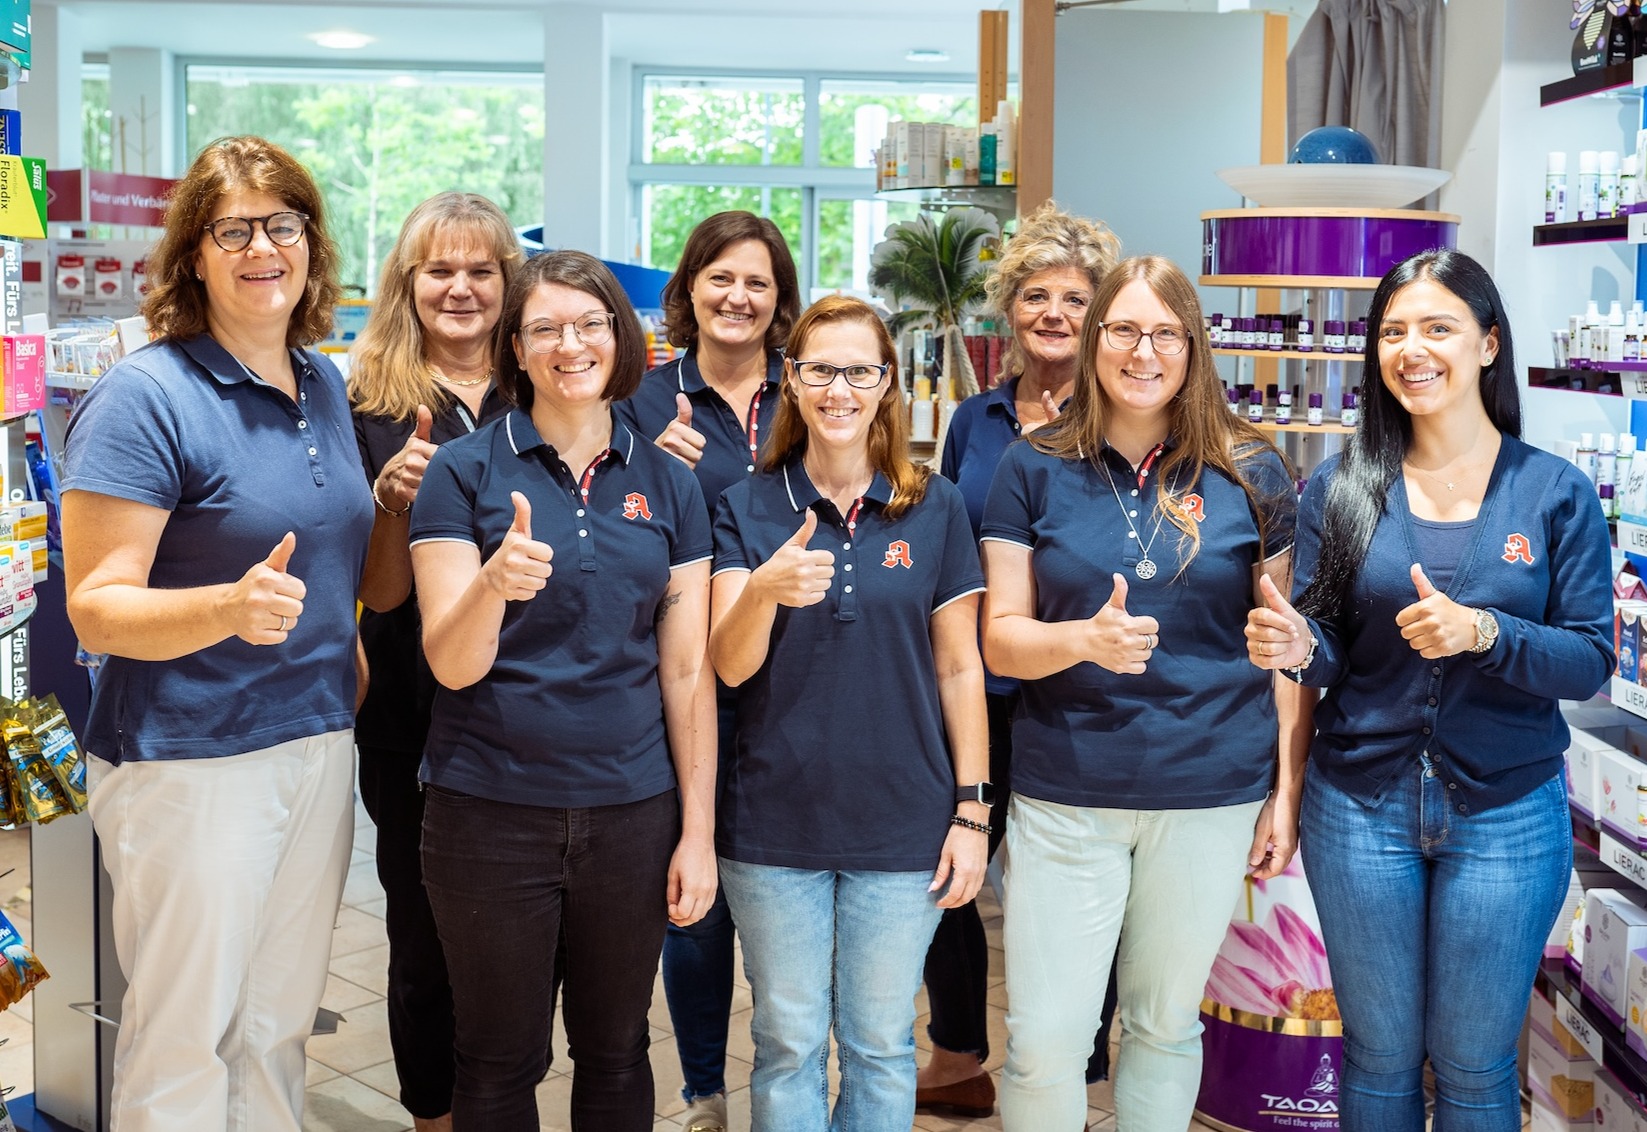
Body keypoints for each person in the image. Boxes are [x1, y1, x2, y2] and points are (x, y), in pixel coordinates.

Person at [1246, 248, 1614, 1132]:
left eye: (1437, 327)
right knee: (1374, 1060)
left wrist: (1485, 634)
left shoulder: (1553, 492)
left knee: (1475, 1067)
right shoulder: (1341, 487)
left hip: (1507, 813)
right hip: (1359, 805)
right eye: (1393, 331)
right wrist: (1300, 644)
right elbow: (1330, 647)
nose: (1411, 348)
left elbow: (1589, 657)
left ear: (1488, 345)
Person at [60, 135, 378, 1132]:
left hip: (314, 742)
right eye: (230, 228)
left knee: (277, 1022)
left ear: (311, 245)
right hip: (191, 757)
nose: (260, 248)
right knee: (186, 1030)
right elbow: (96, 604)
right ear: (193, 253)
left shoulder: (321, 383)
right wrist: (224, 611)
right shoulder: (146, 397)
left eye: (281, 224)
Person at [980, 255, 1300, 1130]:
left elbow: (1281, 647)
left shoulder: (1252, 470)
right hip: (1065, 790)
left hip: (1208, 790)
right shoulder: (1031, 464)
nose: (1142, 351)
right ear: (1092, 342)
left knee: (1162, 1026)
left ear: (1193, 348)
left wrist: (1285, 790)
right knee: (1046, 1035)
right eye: (1121, 329)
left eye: (1165, 332)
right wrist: (1081, 639)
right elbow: (999, 633)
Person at [409, 249, 717, 1131]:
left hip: (631, 809)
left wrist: (696, 832)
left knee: (617, 1047)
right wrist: (491, 586)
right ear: (514, 347)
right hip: (486, 811)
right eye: (544, 328)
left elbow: (686, 670)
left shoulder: (669, 484)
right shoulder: (463, 473)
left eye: (588, 325)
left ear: (623, 341)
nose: (568, 344)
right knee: (499, 1058)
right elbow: (452, 662)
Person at [709, 294, 990, 1129]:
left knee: (878, 1044)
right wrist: (761, 589)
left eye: (858, 370)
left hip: (902, 825)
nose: (839, 389)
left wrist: (972, 811)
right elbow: (727, 665)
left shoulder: (933, 506)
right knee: (788, 1041)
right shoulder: (747, 504)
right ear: (790, 381)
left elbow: (959, 667)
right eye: (818, 370)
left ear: (886, 384)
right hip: (771, 826)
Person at [919, 200, 1122, 1119]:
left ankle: (1076, 1064)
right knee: (950, 863)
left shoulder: (1126, 412)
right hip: (978, 682)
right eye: (1034, 296)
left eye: (1073, 299)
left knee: (1074, 882)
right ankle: (959, 1052)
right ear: (1009, 311)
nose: (1052, 314)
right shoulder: (976, 419)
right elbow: (952, 539)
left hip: (1079, 687)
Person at [613, 210, 799, 1131]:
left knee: (781, 892)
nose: (738, 297)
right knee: (696, 895)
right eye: (720, 278)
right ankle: (700, 1091)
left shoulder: (809, 392)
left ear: (779, 300)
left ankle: (783, 1077)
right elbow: (605, 528)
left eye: (758, 282)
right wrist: (653, 469)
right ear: (686, 290)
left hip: (796, 679)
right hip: (681, 675)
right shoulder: (641, 401)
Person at [348, 191, 522, 1132]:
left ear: (508, 281)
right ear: (407, 284)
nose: (460, 289)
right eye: (439, 270)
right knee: (419, 933)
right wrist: (388, 499)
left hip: (523, 703)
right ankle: (433, 1116)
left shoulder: (544, 385)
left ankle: (500, 1098)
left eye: (481, 270)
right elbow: (370, 590)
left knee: (514, 930)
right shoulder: (360, 402)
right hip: (408, 710)